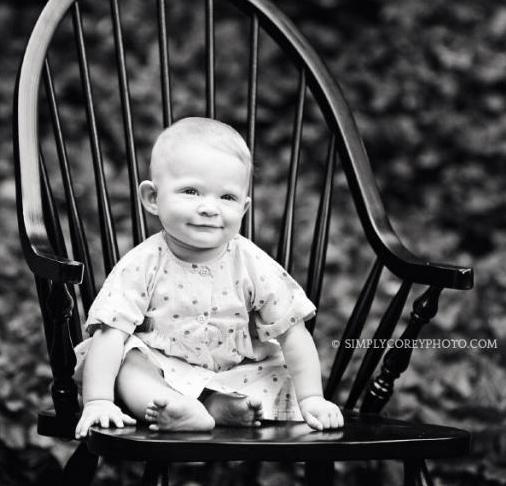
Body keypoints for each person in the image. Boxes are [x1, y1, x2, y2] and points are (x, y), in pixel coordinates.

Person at [74, 117, 343, 438]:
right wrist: (98, 401)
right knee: (128, 362)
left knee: (277, 368)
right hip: (162, 370)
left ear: (243, 209)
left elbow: (293, 332)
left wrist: (312, 397)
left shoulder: (252, 263)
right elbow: (110, 334)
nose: (209, 208)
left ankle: (217, 406)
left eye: (226, 198)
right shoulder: (143, 263)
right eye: (191, 191)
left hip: (235, 373)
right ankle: (176, 405)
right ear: (152, 199)